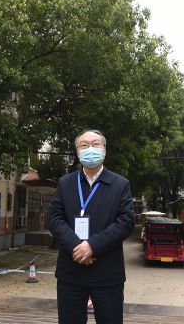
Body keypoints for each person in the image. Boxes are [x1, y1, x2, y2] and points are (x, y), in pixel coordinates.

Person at [48, 129, 135, 324]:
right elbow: (54, 218)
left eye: (95, 144)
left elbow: (126, 221)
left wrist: (92, 246)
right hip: (71, 271)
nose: (90, 148)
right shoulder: (65, 183)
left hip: (107, 272)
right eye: (84, 145)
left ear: (104, 150)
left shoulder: (120, 184)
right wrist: (76, 246)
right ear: (77, 152)